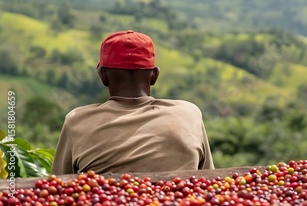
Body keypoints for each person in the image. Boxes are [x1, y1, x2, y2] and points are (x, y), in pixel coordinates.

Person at [52, 30, 214, 174]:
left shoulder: (77, 121)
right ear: (154, 76)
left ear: (103, 76)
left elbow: (60, 184)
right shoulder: (189, 113)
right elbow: (208, 178)